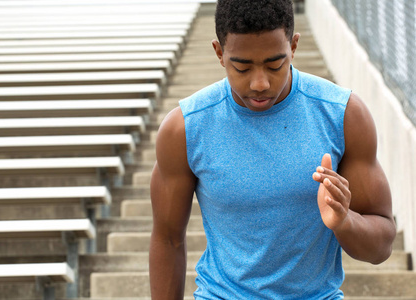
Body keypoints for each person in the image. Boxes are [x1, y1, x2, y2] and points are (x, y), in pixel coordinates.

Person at [149, 0, 396, 298]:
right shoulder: (184, 128)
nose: (260, 83)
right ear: (219, 53)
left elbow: (381, 248)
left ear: (293, 46)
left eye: (275, 64)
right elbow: (167, 240)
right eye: (242, 67)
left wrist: (346, 221)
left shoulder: (344, 115)